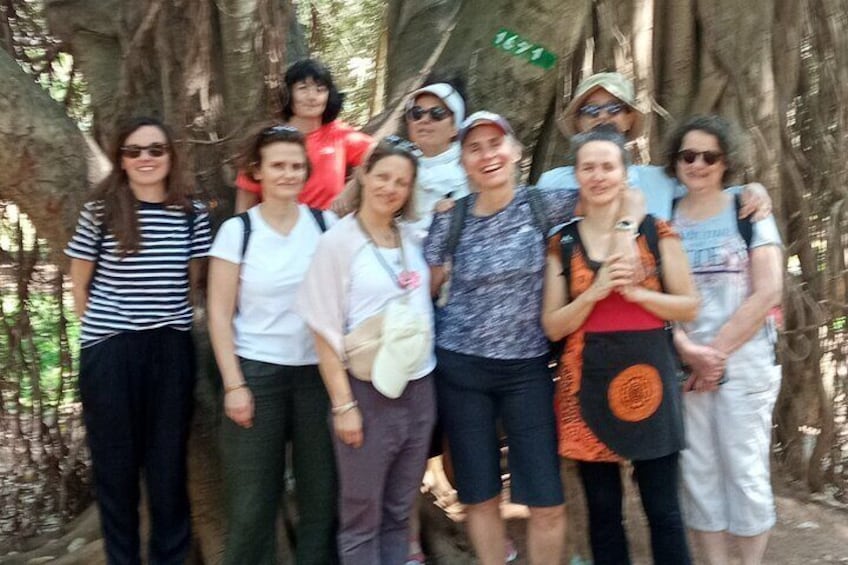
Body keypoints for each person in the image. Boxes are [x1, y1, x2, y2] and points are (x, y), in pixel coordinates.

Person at [424, 112, 643, 565]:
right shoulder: (451, 218)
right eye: (474, 148)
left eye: (495, 144)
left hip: (528, 372)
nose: (487, 155)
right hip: (461, 370)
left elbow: (628, 195)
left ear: (516, 152)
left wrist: (624, 232)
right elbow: (422, 287)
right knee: (479, 494)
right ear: (463, 160)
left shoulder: (548, 204)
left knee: (546, 500)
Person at [542, 125, 699, 565]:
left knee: (663, 509)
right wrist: (592, 293)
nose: (598, 176)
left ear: (624, 175)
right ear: (576, 174)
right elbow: (553, 326)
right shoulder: (563, 240)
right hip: (584, 385)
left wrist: (639, 294)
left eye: (607, 166)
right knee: (604, 512)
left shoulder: (655, 231)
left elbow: (688, 306)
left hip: (651, 379)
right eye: (588, 167)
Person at [66, 116, 211, 564]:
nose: (146, 158)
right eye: (134, 151)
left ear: (171, 155)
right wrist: (110, 332)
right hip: (110, 351)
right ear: (120, 159)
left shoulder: (192, 213)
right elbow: (80, 285)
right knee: (116, 469)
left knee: (167, 467)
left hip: (169, 349)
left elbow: (193, 281)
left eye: (155, 150)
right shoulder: (102, 210)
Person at [296, 137, 437, 565]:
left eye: (401, 181)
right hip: (367, 394)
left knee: (398, 510)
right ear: (363, 177)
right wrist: (343, 405)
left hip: (419, 388)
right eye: (383, 177)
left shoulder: (411, 239)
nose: (390, 188)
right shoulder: (338, 242)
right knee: (362, 515)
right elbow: (323, 329)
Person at [207, 124, 338, 564]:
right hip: (256, 375)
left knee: (321, 496)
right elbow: (220, 316)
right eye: (278, 165)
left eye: (296, 166)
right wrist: (233, 385)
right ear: (257, 172)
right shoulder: (237, 231)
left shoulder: (325, 225)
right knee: (251, 504)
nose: (288, 174)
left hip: (318, 377)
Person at [667, 115, 783, 565]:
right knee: (698, 471)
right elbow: (656, 292)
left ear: (725, 162)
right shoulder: (665, 214)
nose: (698, 164)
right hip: (686, 363)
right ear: (676, 161)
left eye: (709, 156)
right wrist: (688, 352)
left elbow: (769, 288)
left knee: (745, 469)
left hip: (744, 362)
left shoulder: (747, 209)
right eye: (688, 155)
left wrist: (713, 356)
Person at [537, 71, 772, 221]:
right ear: (578, 122)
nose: (603, 117)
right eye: (591, 111)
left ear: (630, 119)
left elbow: (709, 196)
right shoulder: (551, 183)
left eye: (615, 109)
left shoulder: (660, 181)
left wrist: (752, 190)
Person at [234, 58, 373, 212]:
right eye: (303, 88)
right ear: (288, 93)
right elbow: (243, 209)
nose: (312, 97)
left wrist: (351, 188)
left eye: (320, 89)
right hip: (277, 231)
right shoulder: (269, 140)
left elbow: (381, 155)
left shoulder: (340, 134)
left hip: (329, 231)